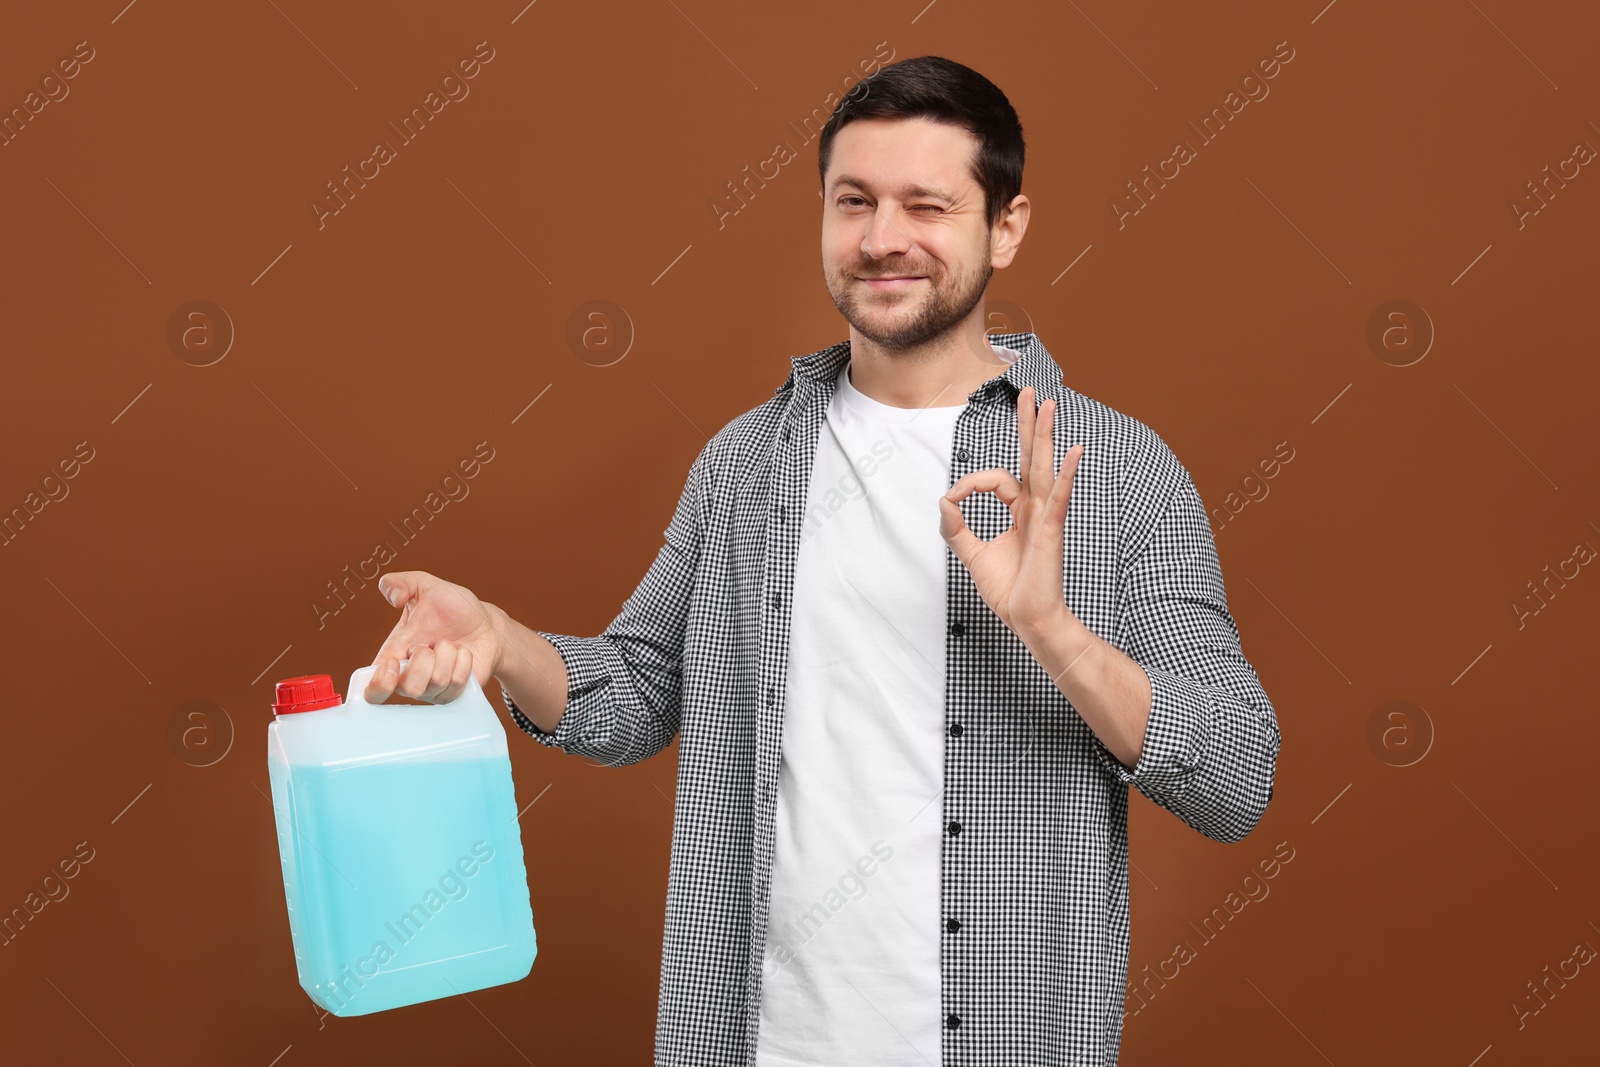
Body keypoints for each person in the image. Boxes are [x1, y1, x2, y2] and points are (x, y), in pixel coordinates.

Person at [364, 54, 1281, 1067]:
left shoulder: (1112, 471)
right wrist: (497, 635)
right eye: (854, 202)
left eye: (925, 205)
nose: (882, 239)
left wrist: (1050, 629)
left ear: (1006, 225)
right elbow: (632, 694)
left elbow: (1235, 776)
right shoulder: (744, 463)